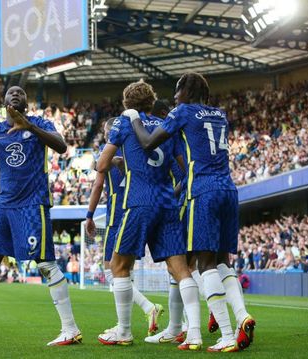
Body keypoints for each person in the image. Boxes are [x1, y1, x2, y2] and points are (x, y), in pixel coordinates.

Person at [130, 72, 255, 352]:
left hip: (203, 190)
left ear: (186, 90)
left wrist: (133, 117)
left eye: (177, 90)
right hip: (228, 189)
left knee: (204, 264)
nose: (174, 97)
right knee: (223, 263)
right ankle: (241, 316)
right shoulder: (220, 114)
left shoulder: (183, 111)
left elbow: (148, 142)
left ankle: (225, 333)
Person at [0, 86, 81, 346]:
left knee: (45, 264)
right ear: (3, 102)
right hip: (4, 205)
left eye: (21, 93)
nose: (16, 94)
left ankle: (70, 329)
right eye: (11, 92)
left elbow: (61, 146)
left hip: (32, 204)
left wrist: (29, 127)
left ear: (26, 103)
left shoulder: (39, 123)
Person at [96, 80, 202, 350]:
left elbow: (102, 164)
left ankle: (124, 330)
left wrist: (121, 159)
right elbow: (183, 167)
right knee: (180, 269)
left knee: (118, 266)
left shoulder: (123, 123)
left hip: (139, 202)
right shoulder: (167, 125)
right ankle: (195, 334)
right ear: (152, 102)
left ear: (126, 104)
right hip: (167, 203)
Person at [85, 117, 164, 337]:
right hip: (144, 207)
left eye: (106, 130)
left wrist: (89, 215)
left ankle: (142, 313)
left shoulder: (106, 153)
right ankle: (178, 322)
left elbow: (99, 184)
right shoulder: (137, 148)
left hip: (117, 215)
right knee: (123, 270)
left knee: (112, 270)